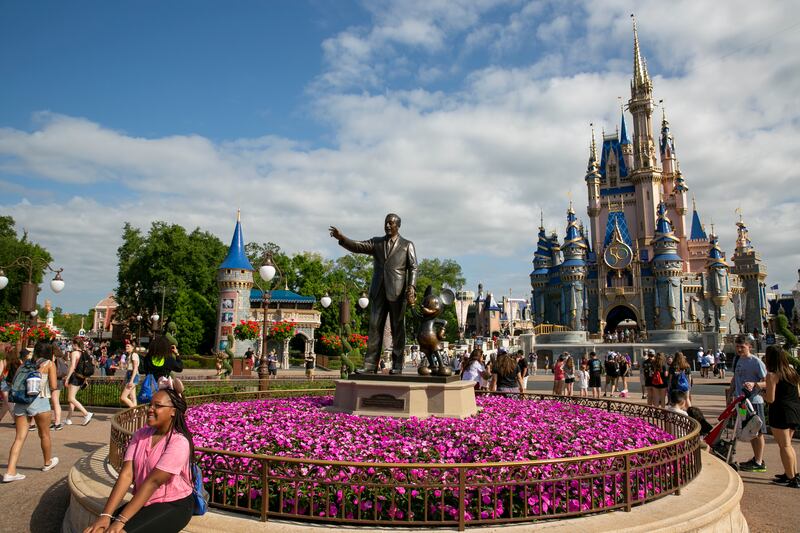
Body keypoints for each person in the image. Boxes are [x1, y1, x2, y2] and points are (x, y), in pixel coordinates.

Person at [84, 387, 194, 532]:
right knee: (96, 530)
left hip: (174, 503)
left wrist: (120, 521)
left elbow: (153, 482)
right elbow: (126, 475)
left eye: (158, 406)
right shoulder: (141, 434)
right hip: (146, 500)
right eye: (150, 404)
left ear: (173, 411)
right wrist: (105, 515)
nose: (150, 409)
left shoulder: (179, 442)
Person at [330, 214, 418, 373]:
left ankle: (397, 365)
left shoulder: (407, 245)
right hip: (378, 291)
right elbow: (358, 246)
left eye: (391, 223)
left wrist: (411, 286)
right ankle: (370, 366)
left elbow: (413, 268)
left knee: (398, 329)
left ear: (398, 225)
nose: (388, 226)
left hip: (398, 292)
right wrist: (342, 238)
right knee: (374, 327)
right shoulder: (377, 242)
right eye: (386, 223)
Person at [4, 342, 59, 482]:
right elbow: (53, 385)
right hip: (39, 401)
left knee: (19, 438)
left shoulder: (25, 364)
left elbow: (14, 380)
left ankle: (10, 471)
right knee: (44, 434)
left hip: (21, 402)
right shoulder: (49, 364)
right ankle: (47, 462)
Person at [730, 334, 768, 473]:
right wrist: (730, 396)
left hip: (754, 402)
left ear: (749, 347)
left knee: (757, 430)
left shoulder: (756, 362)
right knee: (748, 430)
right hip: (741, 403)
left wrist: (754, 384)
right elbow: (735, 378)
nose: (740, 349)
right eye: (738, 347)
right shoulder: (737, 360)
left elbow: (766, 381)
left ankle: (759, 461)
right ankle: (756, 458)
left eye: (742, 347)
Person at [763, 346, 800, 487]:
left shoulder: (772, 375)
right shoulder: (792, 372)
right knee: (788, 445)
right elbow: (798, 392)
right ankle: (792, 473)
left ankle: (792, 478)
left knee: (784, 446)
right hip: (794, 410)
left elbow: (770, 399)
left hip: (780, 411)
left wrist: (761, 393)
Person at [64, 337, 94, 426]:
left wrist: (67, 378)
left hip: (75, 377)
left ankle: (86, 414)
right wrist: (85, 379)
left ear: (74, 344)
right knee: (72, 398)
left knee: (71, 398)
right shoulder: (84, 353)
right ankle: (68, 418)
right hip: (81, 377)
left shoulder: (74, 353)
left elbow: (73, 366)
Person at [120, 342, 141, 408]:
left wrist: (131, 380)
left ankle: (135, 411)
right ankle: (134, 416)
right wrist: (125, 380)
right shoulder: (129, 355)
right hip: (130, 375)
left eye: (128, 346)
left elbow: (135, 368)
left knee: (123, 397)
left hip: (133, 376)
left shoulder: (134, 355)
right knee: (133, 397)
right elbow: (128, 369)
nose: (126, 348)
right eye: (126, 346)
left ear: (132, 347)